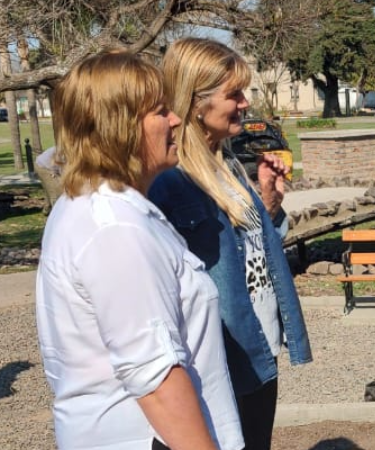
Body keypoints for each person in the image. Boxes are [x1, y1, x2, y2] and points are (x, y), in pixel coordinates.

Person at [35, 51, 243, 450]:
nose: (177, 120)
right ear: (121, 127)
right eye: (161, 112)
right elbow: (157, 377)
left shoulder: (101, 206)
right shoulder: (115, 227)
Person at [148, 38, 312, 450]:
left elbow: (253, 250)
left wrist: (269, 201)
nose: (245, 103)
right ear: (196, 101)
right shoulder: (170, 182)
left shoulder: (228, 165)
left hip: (258, 348)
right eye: (234, 94)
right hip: (222, 359)